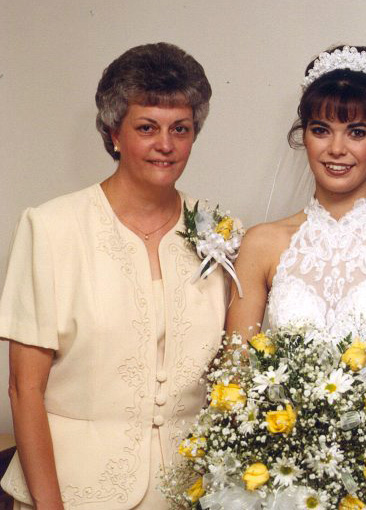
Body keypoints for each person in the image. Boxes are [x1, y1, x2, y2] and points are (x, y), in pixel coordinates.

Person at [0, 43, 230, 509]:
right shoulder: (51, 228)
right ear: (114, 134)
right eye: (147, 127)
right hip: (69, 492)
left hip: (191, 494)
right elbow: (25, 389)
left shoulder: (221, 232)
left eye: (180, 128)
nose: (165, 145)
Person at [226, 45, 366, 509]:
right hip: (281, 472)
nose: (337, 149)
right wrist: (296, 450)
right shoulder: (262, 243)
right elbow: (237, 368)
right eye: (321, 129)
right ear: (303, 136)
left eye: (357, 131)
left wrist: (349, 450)